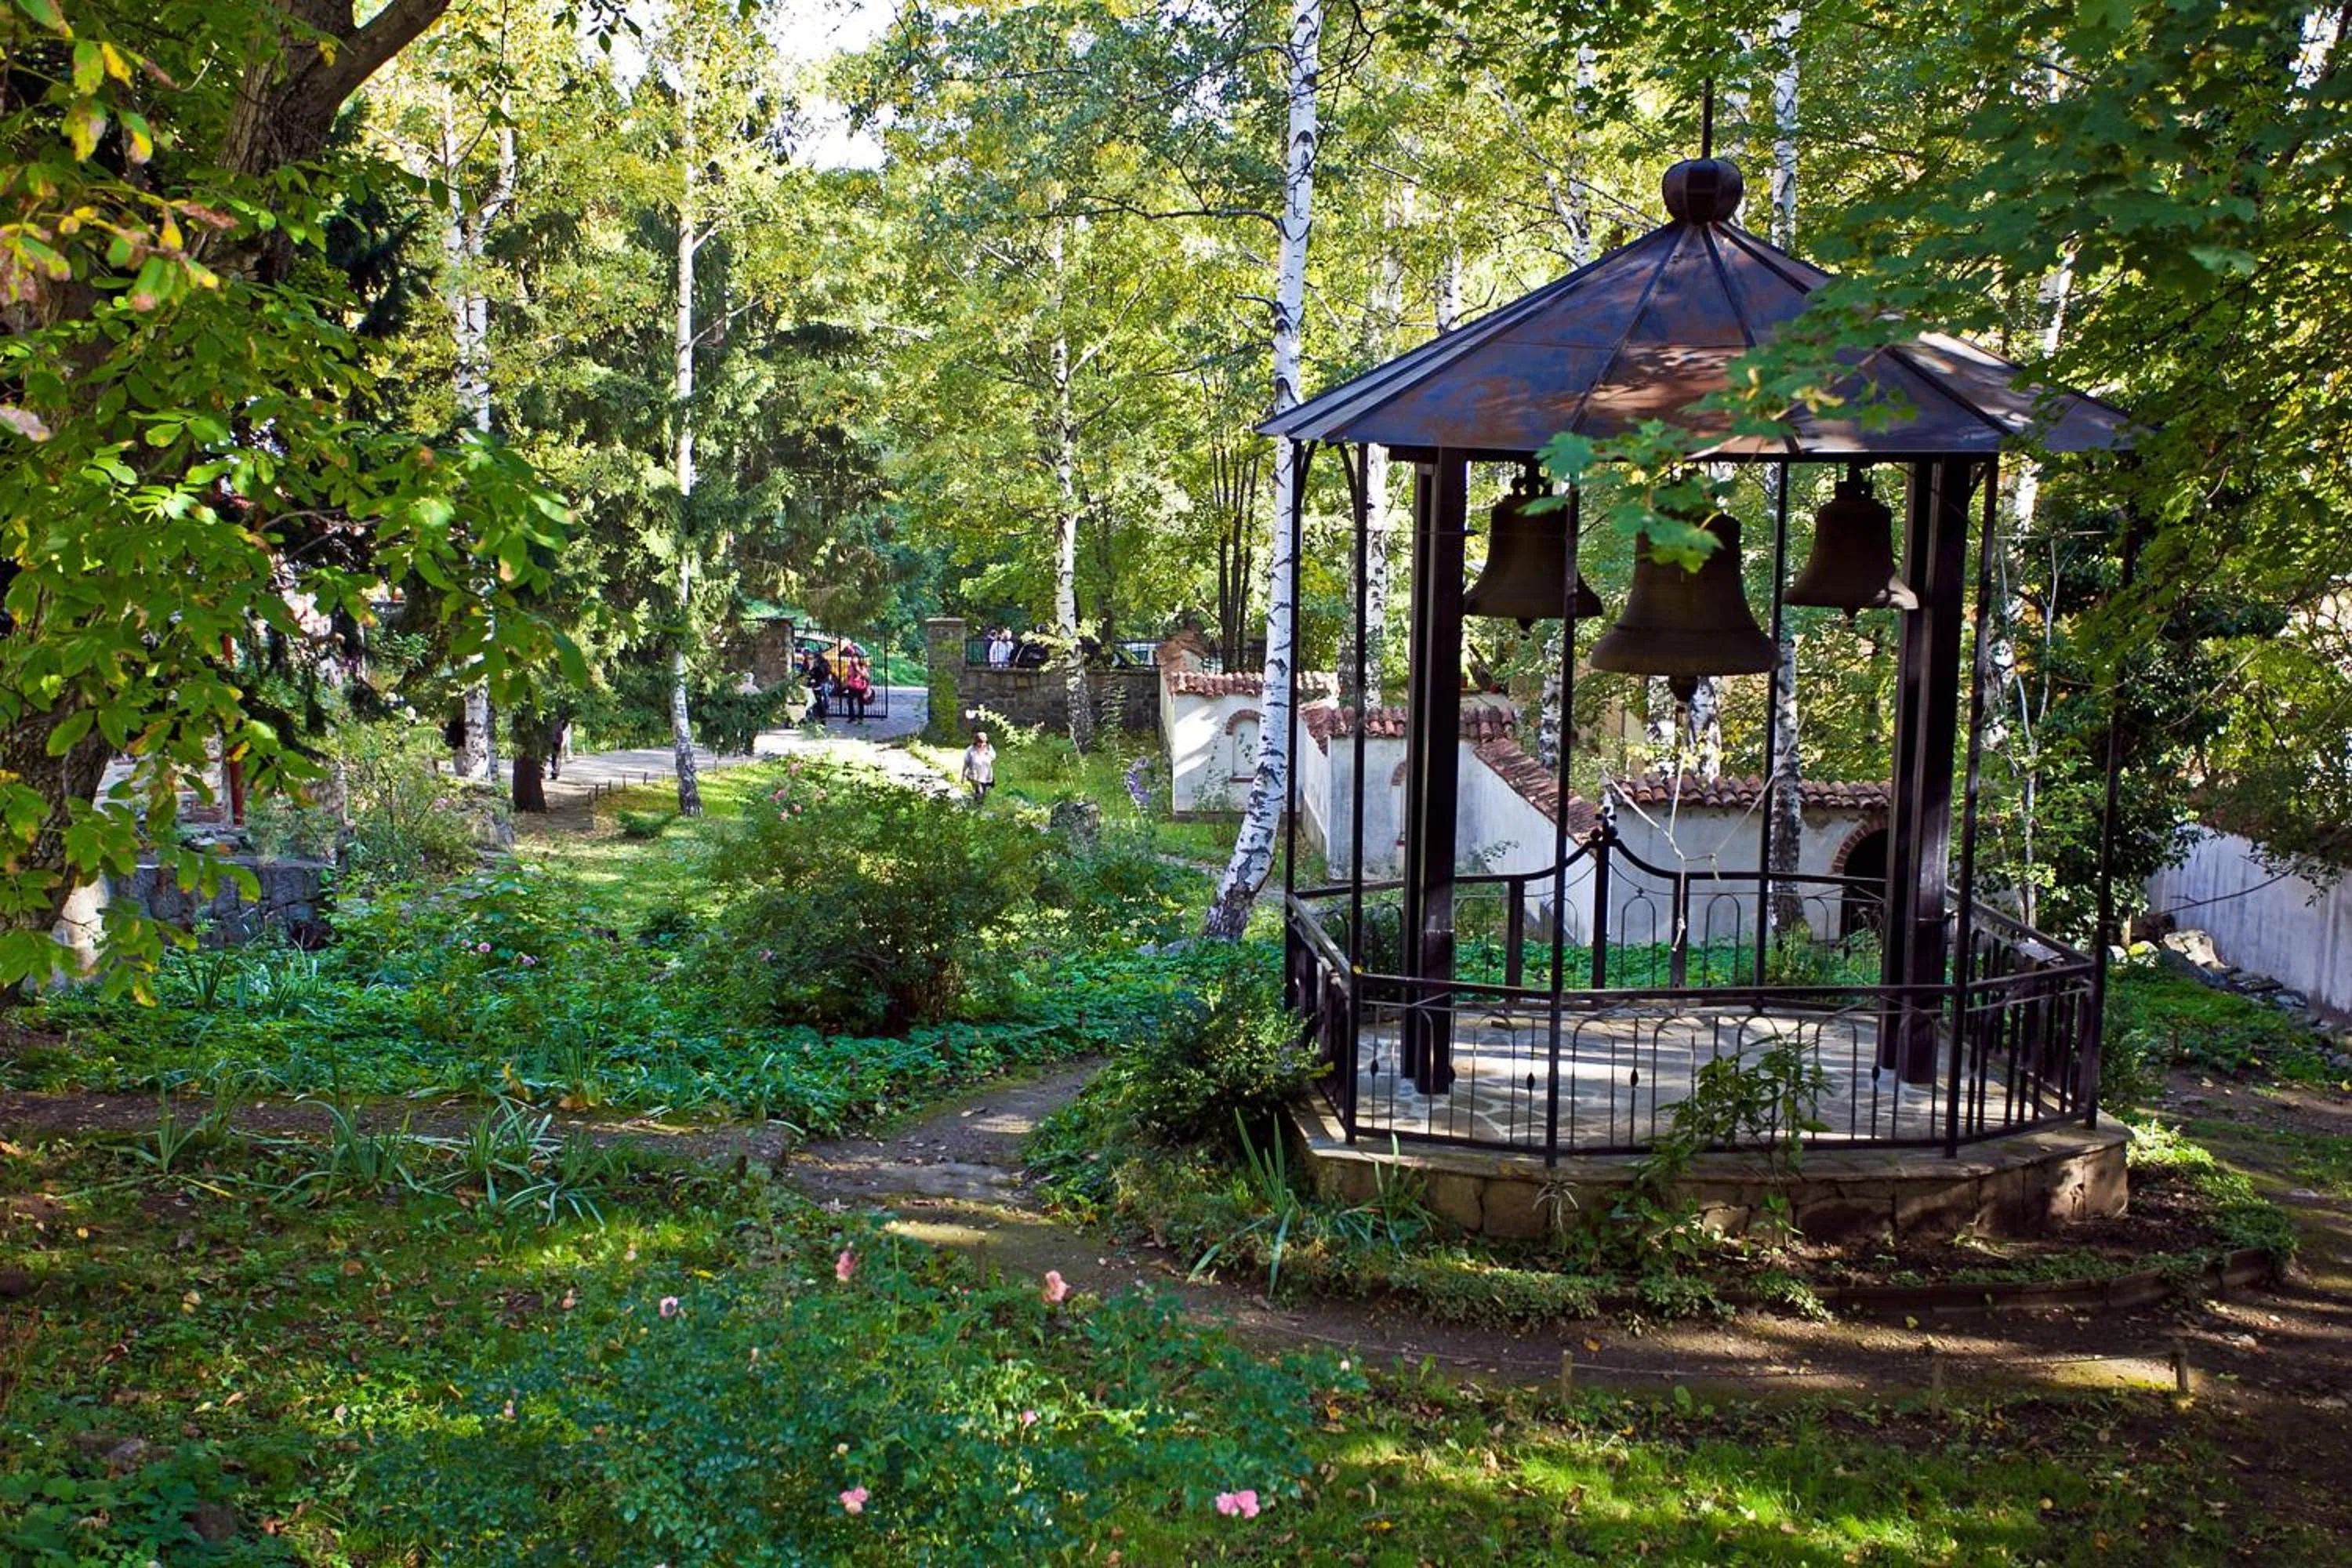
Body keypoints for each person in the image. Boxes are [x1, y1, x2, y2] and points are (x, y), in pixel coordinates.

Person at [960, 729, 996, 806]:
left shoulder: (989, 749)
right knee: (979, 791)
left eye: (983, 742)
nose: (981, 745)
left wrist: (987, 752)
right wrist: (962, 776)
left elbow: (993, 757)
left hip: (986, 775)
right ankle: (978, 808)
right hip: (974, 775)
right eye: (979, 743)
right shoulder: (971, 750)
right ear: (976, 742)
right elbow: (966, 764)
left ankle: (976, 806)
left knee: (983, 794)